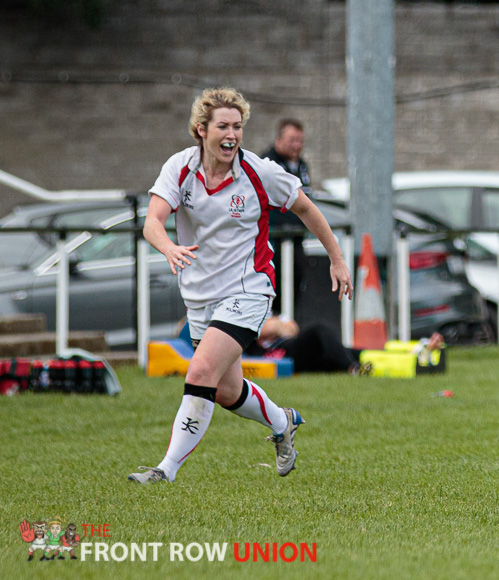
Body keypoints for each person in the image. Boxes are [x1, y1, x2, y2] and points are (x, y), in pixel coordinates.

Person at [129, 88, 351, 484]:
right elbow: (152, 222)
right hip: (200, 298)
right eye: (223, 126)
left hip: (249, 290)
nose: (231, 134)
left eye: (238, 126)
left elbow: (305, 207)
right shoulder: (180, 168)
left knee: (199, 372)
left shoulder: (259, 171)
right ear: (201, 130)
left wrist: (336, 258)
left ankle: (166, 470)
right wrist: (168, 247)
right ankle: (284, 422)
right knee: (228, 391)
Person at [246, 316, 444, 375]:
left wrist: (275, 327)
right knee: (319, 330)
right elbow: (261, 330)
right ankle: (352, 368)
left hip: (298, 351)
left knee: (354, 352)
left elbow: (290, 327)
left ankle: (415, 352)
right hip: (288, 356)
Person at [262, 118, 311, 316]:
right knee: (276, 288)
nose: (296, 145)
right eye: (292, 140)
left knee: (297, 283)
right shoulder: (268, 164)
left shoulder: (302, 165)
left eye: (299, 141)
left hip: (296, 239)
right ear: (278, 140)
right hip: (274, 240)